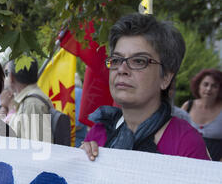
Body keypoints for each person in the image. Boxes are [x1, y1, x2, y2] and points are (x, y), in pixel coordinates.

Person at [81, 13, 210, 161]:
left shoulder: (186, 143)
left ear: (166, 78)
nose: (122, 69)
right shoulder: (97, 134)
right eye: (116, 60)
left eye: (138, 61)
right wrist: (81, 165)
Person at [0, 58, 53, 142]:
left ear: (11, 77)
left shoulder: (31, 104)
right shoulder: (27, 102)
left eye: (6, 74)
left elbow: (37, 147)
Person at [181, 69, 222, 161]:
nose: (208, 89)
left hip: (215, 166)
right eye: (205, 84)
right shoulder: (188, 106)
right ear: (198, 85)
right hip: (185, 162)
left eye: (214, 86)